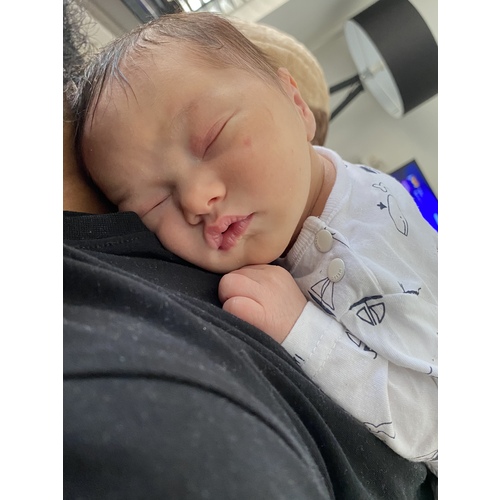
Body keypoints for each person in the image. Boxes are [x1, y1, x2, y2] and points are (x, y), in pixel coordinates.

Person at [64, 2, 437, 497]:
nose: (195, 200)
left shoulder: (372, 237)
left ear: (298, 105)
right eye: (152, 203)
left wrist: (304, 333)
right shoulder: (295, 205)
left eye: (211, 139)